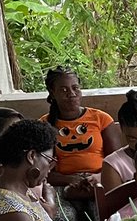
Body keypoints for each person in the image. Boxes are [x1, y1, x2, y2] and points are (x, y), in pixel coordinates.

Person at [40, 67, 121, 206]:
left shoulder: (101, 118)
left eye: (75, 88)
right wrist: (70, 180)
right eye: (64, 90)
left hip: (99, 181)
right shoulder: (44, 125)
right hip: (62, 185)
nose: (71, 94)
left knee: (103, 218)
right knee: (63, 219)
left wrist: (97, 178)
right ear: (52, 93)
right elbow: (42, 170)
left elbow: (117, 162)